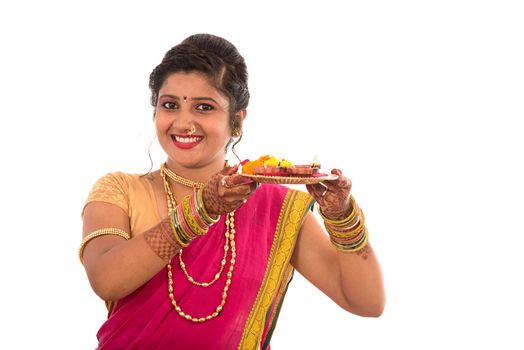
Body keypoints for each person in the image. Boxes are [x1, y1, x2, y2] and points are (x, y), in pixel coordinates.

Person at [80, 33, 385, 349]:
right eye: (170, 105)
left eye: (204, 107)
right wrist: (202, 210)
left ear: (236, 121)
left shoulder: (275, 208)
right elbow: (107, 279)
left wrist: (342, 217)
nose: (183, 122)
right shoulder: (118, 190)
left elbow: (366, 301)